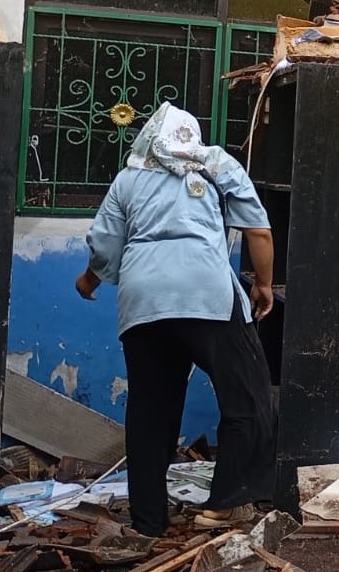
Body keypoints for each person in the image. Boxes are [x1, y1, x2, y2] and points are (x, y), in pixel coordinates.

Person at [77, 102, 277, 537]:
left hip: (143, 303)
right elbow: (258, 231)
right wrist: (263, 286)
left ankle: (148, 521)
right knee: (248, 397)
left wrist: (90, 281)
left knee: (151, 410)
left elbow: (106, 245)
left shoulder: (129, 178)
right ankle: (226, 504)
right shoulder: (217, 164)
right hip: (206, 295)